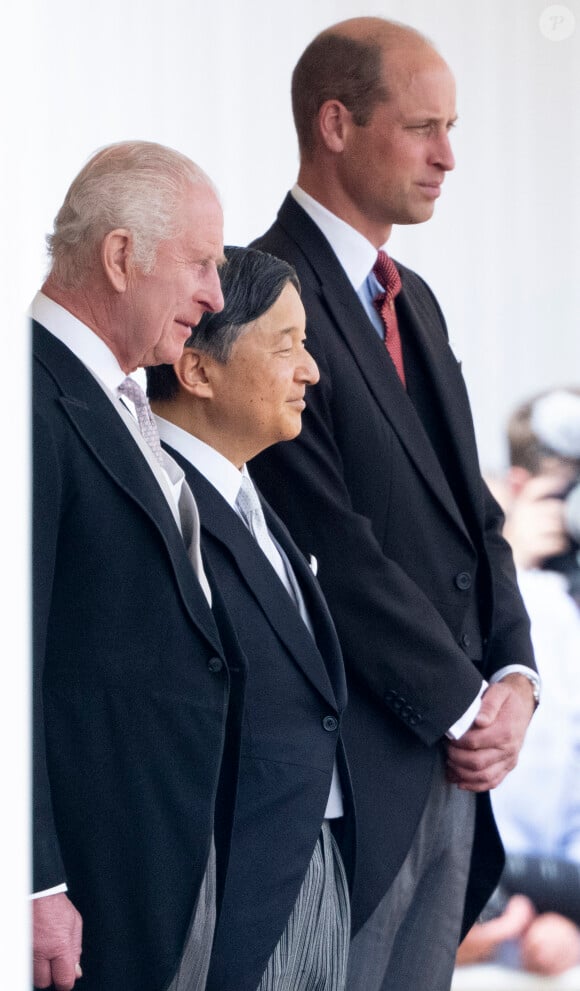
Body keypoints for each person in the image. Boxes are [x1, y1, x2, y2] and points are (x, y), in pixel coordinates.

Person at [249, 17, 538, 991]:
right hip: (353, 783)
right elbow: (331, 540)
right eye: (423, 127)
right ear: (335, 123)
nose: (448, 156)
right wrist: (466, 704)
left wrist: (513, 673)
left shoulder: (411, 297)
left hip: (453, 768)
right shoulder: (259, 296)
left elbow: (476, 517)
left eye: (450, 127)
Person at [32, 140, 246, 991]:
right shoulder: (30, 397)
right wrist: (33, 877)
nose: (216, 296)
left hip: (161, 868)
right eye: (200, 264)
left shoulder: (123, 401)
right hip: (84, 889)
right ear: (121, 256)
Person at [146, 246, 354, 991]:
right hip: (230, 888)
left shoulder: (252, 495)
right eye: (286, 346)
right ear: (197, 369)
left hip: (313, 864)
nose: (311, 372)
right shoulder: (156, 506)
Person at [457, 387, 580, 977]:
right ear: (522, 488)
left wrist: (575, 917)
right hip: (461, 921)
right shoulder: (467, 583)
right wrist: (509, 568)